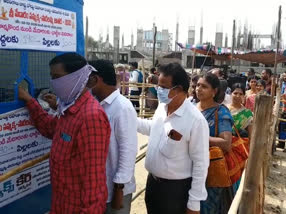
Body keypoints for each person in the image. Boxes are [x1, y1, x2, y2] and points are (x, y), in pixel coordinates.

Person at [18, 53, 110, 213]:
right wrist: (30, 101)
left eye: (57, 77)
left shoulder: (91, 117)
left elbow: (93, 180)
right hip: (61, 205)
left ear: (76, 78)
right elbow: (48, 127)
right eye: (52, 77)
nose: (53, 82)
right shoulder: (68, 110)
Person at [137, 63, 209, 214]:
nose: (158, 90)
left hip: (175, 192)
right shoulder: (162, 108)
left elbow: (200, 163)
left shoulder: (195, 120)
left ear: (178, 89)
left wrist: (194, 203)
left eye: (163, 87)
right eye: (158, 85)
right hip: (153, 185)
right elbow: (154, 128)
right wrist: (132, 121)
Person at [89, 60, 138, 214]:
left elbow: (128, 150)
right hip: (100, 186)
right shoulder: (97, 104)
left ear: (96, 80)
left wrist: (119, 188)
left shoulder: (122, 107)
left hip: (116, 189)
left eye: (87, 79)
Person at [195, 73, 234, 214]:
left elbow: (226, 143)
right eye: (198, 85)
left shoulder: (221, 113)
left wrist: (198, 138)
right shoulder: (191, 107)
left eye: (204, 86)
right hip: (187, 168)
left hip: (210, 171)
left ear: (214, 91)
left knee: (207, 208)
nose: (199, 89)